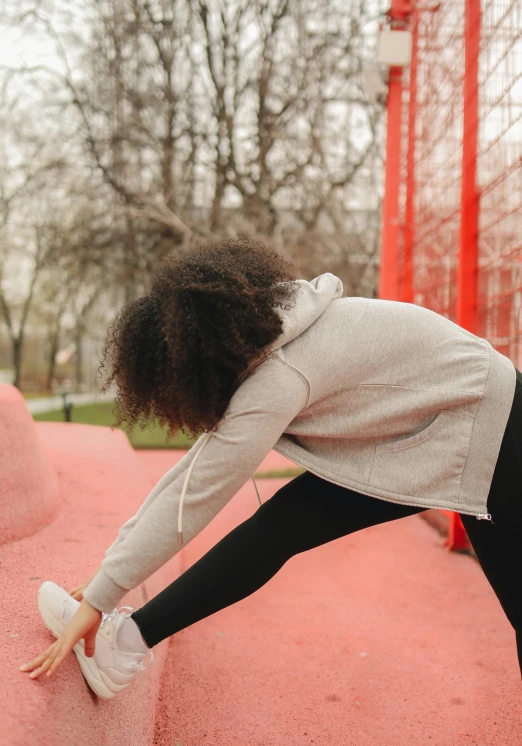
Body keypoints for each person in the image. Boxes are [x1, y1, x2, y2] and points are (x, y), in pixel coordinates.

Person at [20, 239, 521, 715]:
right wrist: (104, 582)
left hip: (489, 420)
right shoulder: (271, 326)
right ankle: (121, 647)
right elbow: (188, 476)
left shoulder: (278, 377)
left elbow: (195, 496)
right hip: (430, 423)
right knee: (282, 525)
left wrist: (105, 592)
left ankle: (120, 645)